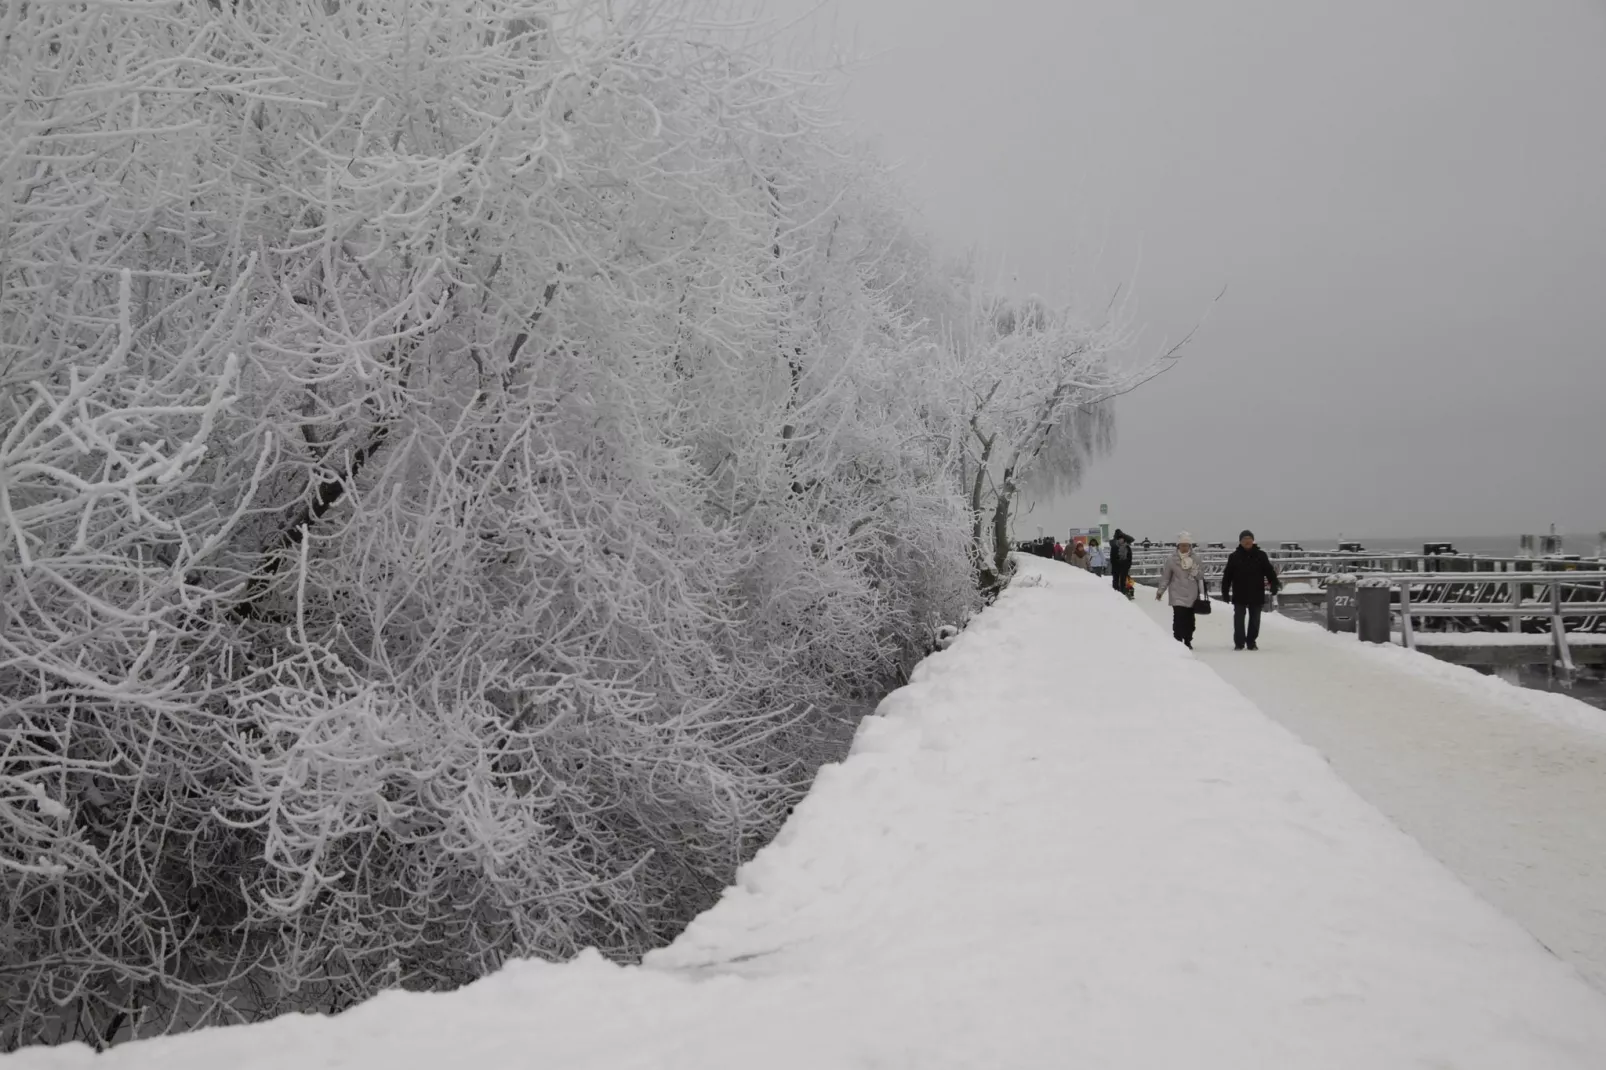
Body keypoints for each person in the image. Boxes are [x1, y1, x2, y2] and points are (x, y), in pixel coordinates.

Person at [1220, 528, 1280, 651]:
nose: (1247, 541)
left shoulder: (1261, 555)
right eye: (1244, 539)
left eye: (1249, 539)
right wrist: (1225, 592)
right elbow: (1227, 576)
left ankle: (1251, 642)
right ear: (1240, 542)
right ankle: (1239, 642)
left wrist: (1274, 584)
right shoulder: (1234, 556)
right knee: (1238, 619)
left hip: (1256, 592)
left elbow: (1269, 571)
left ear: (1253, 541)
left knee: (1255, 619)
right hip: (1239, 592)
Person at [1155, 533, 1205, 649]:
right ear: (1178, 546)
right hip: (1176, 593)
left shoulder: (1195, 559)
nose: (1184, 548)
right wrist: (1160, 591)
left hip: (1192, 593)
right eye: (1182, 545)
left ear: (1190, 546)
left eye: (1186, 545)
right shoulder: (1172, 560)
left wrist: (1196, 572)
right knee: (1178, 618)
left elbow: (1201, 575)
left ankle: (1188, 640)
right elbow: (1166, 577)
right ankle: (1177, 640)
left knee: (1189, 620)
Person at [1109, 529, 1133, 595]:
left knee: (1123, 581)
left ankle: (1123, 593)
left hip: (1124, 567)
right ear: (1117, 539)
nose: (1121, 540)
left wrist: (1128, 565)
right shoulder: (1114, 547)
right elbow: (1112, 557)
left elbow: (1129, 558)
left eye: (1122, 539)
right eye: (1119, 539)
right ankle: (1115, 593)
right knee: (1115, 581)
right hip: (1116, 567)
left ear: (1124, 539)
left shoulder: (1127, 547)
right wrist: (1117, 562)